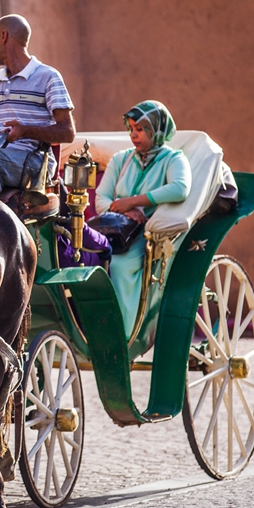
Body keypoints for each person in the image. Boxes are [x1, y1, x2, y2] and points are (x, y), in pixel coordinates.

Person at [94, 100, 191, 333]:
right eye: (131, 129)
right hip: (112, 231)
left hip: (145, 237)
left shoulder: (173, 159)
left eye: (140, 129)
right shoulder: (121, 159)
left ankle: (122, 335)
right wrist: (123, 210)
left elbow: (180, 188)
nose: (134, 136)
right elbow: (101, 200)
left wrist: (135, 201)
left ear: (156, 130)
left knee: (118, 267)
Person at [0, 15, 76, 198]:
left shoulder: (48, 76)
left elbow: (68, 133)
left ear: (4, 36)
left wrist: (25, 131)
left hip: (35, 163)